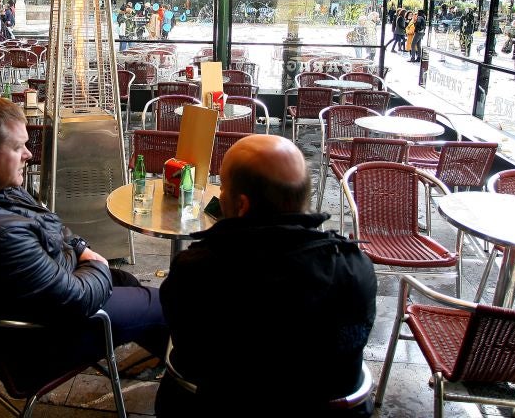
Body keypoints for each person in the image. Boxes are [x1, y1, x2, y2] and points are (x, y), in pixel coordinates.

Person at [0, 95, 168, 384]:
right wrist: (96, 263)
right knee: (166, 304)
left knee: (129, 283)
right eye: (17, 147)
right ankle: (188, 376)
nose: (29, 154)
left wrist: (80, 249)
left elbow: (46, 221)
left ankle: (167, 358)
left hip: (20, 305)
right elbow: (76, 299)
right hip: (32, 344)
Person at [155, 135, 376, 417]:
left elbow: (187, 344)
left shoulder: (197, 272)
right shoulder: (356, 269)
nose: (220, 195)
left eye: (223, 187)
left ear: (242, 205)